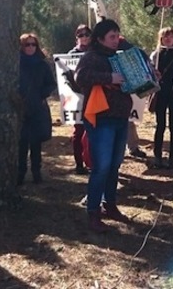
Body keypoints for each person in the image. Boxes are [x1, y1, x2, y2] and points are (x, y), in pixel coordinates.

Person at [74, 19, 134, 232]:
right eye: (111, 36)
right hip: (101, 119)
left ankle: (110, 205)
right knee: (101, 167)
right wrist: (108, 77)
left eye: (117, 35)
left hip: (120, 117)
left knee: (115, 165)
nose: (116, 40)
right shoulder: (91, 56)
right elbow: (80, 77)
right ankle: (93, 211)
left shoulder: (120, 57)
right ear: (100, 39)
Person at [17, 33, 57, 185]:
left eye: (33, 44)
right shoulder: (15, 63)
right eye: (27, 44)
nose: (30, 47)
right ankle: (20, 172)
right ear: (21, 46)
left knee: (36, 143)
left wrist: (41, 94)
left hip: (37, 108)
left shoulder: (42, 64)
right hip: (20, 108)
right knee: (21, 143)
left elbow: (51, 83)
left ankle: (36, 172)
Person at [150, 27, 173, 169]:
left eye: (170, 36)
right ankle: (157, 155)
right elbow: (149, 73)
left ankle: (172, 156)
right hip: (161, 93)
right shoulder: (156, 55)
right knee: (160, 125)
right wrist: (154, 73)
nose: (168, 39)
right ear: (161, 39)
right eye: (164, 36)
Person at [68, 24, 92, 174]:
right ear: (76, 38)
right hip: (78, 97)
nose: (84, 38)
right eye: (80, 35)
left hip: (96, 96)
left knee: (95, 132)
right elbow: (68, 76)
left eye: (87, 34)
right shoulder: (71, 54)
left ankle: (93, 162)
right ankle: (79, 164)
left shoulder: (96, 52)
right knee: (78, 132)